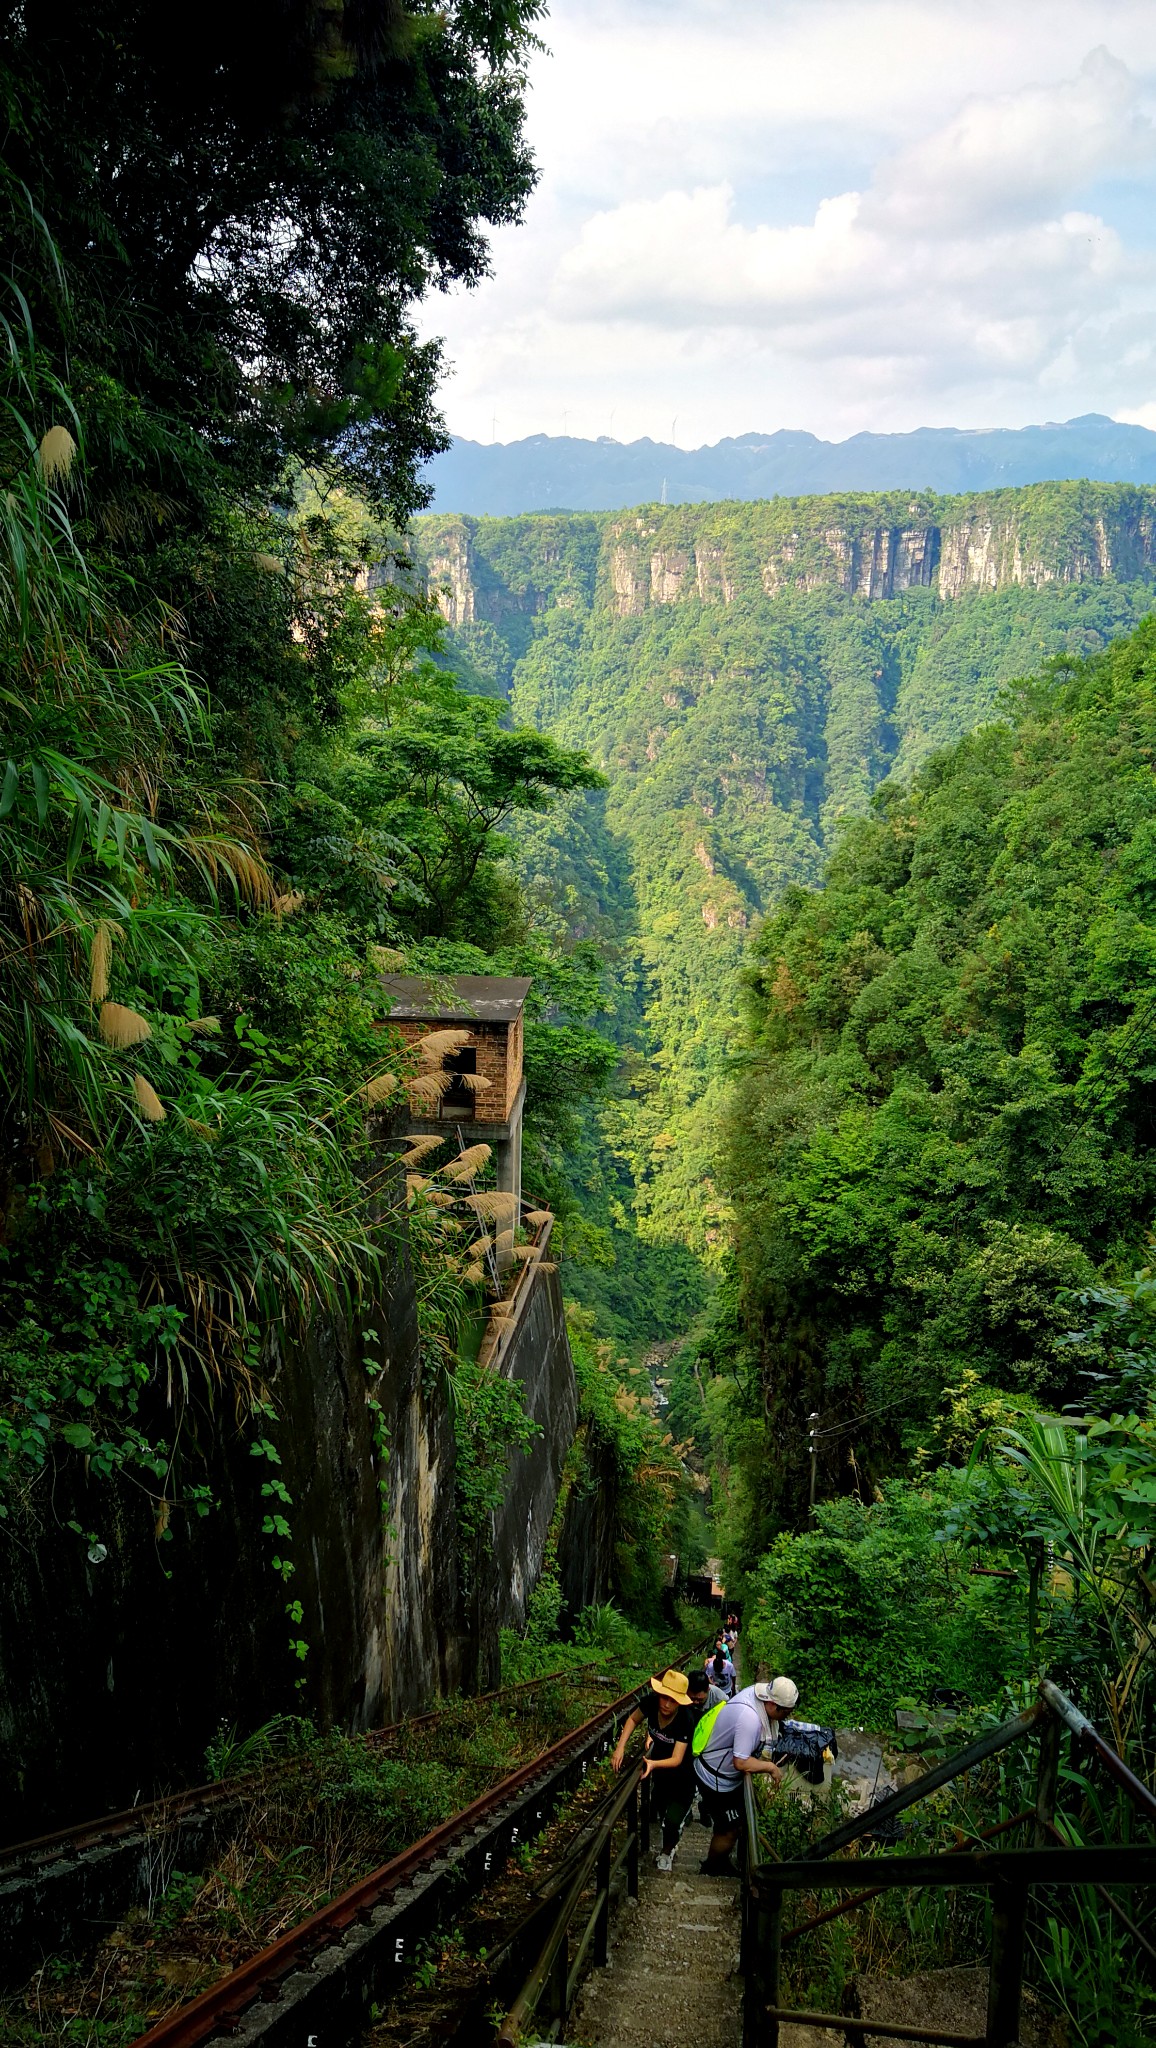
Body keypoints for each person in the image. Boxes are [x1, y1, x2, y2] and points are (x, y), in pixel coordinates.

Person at [693, 1675, 800, 1876]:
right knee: (729, 1828)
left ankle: (721, 1861)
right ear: (772, 1704)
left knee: (741, 1820)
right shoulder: (749, 1718)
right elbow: (740, 1762)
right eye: (785, 1712)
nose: (786, 1716)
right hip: (715, 1777)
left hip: (722, 1770)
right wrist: (770, 1768)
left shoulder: (755, 1695)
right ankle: (712, 1868)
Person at [611, 1667, 696, 1871]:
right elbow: (633, 1719)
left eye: (673, 1700)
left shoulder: (685, 1719)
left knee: (671, 1821)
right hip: (659, 1774)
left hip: (682, 1777)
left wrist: (652, 1763)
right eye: (664, 1697)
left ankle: (667, 1852)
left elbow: (677, 1759)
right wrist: (620, 1747)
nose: (666, 1704)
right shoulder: (650, 1702)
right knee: (657, 1807)